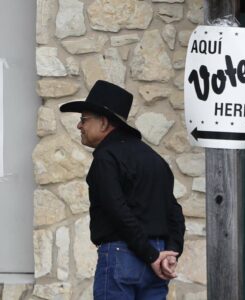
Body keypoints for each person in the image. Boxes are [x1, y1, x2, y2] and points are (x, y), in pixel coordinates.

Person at [60, 80, 185, 300]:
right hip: (156, 258)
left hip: (123, 255)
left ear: (104, 123)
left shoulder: (106, 157)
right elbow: (174, 211)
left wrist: (151, 255)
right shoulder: (155, 159)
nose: (79, 126)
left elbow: (116, 210)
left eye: (84, 119)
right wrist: (169, 253)